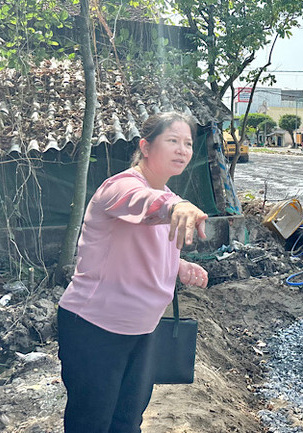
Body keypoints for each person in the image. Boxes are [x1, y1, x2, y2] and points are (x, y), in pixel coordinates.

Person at [57, 111, 209, 433]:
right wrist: (176, 207)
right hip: (95, 329)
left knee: (126, 422)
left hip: (142, 330)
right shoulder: (121, 186)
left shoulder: (168, 197)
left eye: (188, 143)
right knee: (91, 424)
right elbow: (142, 204)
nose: (182, 150)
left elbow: (141, 247)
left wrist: (178, 265)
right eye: (172, 141)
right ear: (146, 146)